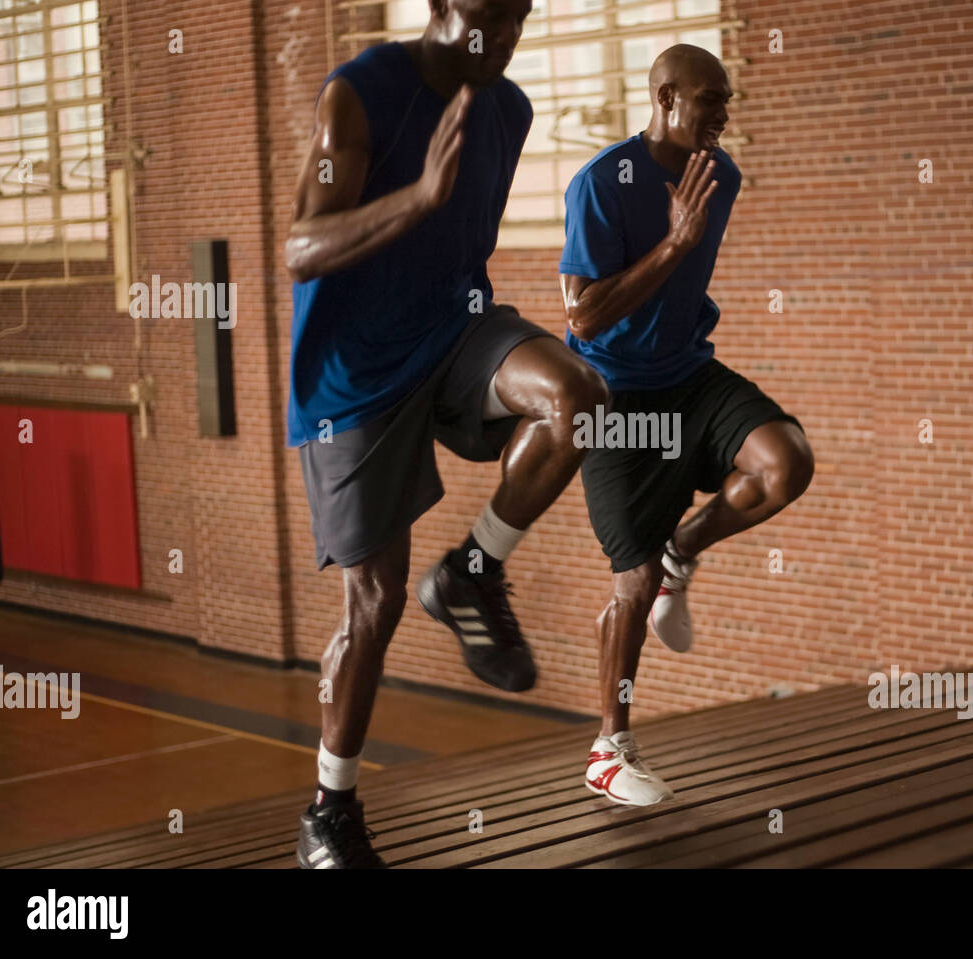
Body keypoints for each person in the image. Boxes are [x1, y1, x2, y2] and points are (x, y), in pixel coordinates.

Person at [285, 0, 607, 867]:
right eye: (483, 14)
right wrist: (418, 196)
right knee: (374, 601)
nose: (499, 36)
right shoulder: (356, 95)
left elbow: (463, 252)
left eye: (517, 17)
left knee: (578, 395)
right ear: (436, 6)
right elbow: (301, 247)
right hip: (353, 377)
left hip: (453, 330)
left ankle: (473, 569)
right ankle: (331, 808)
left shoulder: (510, 107)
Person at [558, 44, 815, 806]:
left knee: (785, 462)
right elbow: (582, 313)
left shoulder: (721, 174)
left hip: (690, 375)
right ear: (666, 97)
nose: (723, 113)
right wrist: (674, 243)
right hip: (615, 396)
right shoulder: (601, 182)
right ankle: (609, 748)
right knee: (628, 584)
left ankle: (684, 550)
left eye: (728, 99)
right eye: (710, 99)